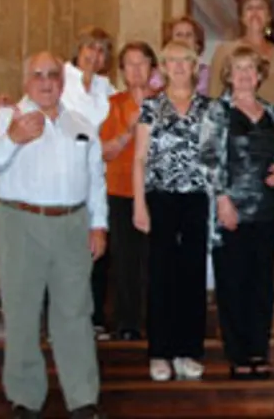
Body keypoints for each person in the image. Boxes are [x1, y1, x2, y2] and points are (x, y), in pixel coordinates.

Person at [0, 51, 107, 418]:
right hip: (20, 223)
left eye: (53, 75)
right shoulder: (6, 118)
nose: (46, 82)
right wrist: (13, 138)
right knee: (21, 313)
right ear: (26, 81)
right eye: (38, 74)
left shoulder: (81, 123)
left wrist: (99, 225)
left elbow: (96, 179)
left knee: (75, 312)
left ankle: (83, 399)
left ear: (62, 83)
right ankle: (25, 399)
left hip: (72, 224)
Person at [201, 46, 274, 380]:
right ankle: (237, 353)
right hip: (231, 209)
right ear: (228, 75)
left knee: (261, 285)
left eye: (251, 68)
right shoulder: (217, 110)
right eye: (239, 69)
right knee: (232, 284)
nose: (245, 75)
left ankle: (259, 350)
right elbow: (207, 158)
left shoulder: (273, 111)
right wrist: (222, 199)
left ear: (259, 75)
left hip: (266, 208)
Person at [133, 41, 211, 382]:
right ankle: (160, 352)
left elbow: (215, 157)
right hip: (160, 197)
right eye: (172, 61)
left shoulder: (209, 108)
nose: (179, 66)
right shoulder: (151, 107)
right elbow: (139, 159)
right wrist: (139, 204)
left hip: (197, 198)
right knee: (161, 274)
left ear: (195, 66)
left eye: (185, 60)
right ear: (163, 68)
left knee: (192, 274)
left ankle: (188, 350)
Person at [99, 41, 157, 341]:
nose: (136, 69)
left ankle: (156, 322)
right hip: (120, 191)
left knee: (155, 258)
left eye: (142, 62)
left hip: (156, 191)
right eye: (129, 64)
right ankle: (128, 324)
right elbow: (105, 151)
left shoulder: (164, 102)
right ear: (122, 71)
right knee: (125, 260)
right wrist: (130, 130)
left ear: (153, 68)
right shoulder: (113, 104)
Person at [63, 26, 117, 341]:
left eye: (101, 51)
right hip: (66, 173)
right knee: (66, 250)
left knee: (97, 244)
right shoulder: (61, 79)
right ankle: (63, 320)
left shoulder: (106, 87)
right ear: (79, 49)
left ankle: (94, 318)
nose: (94, 56)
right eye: (89, 48)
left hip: (98, 174)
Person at [208, 0, 274, 109]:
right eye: (249, 8)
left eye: (260, 8)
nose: (255, 12)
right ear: (241, 17)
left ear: (269, 17)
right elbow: (214, 94)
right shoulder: (225, 51)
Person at [151, 15, 209, 95]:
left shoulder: (209, 75)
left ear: (197, 44)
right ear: (169, 42)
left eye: (188, 35)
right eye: (179, 35)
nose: (183, 39)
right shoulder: (156, 76)